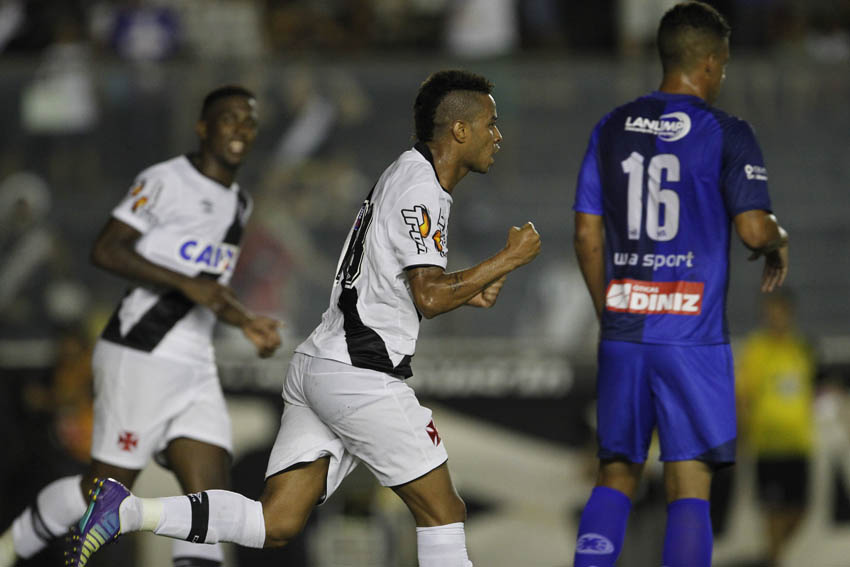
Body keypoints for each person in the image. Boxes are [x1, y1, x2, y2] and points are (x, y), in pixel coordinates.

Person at [63, 69, 541, 567]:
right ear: (459, 130)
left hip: (323, 365)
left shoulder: (410, 176)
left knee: (276, 521)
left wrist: (471, 287)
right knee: (444, 511)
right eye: (490, 123)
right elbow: (429, 297)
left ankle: (127, 510)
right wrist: (507, 258)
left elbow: (405, 284)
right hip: (361, 376)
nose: (497, 135)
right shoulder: (420, 187)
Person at [0, 85, 283, 567]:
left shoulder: (239, 203)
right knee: (102, 493)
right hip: (141, 350)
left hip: (196, 361)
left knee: (210, 501)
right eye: (229, 118)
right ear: (203, 128)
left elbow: (208, 286)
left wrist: (245, 320)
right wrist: (184, 283)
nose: (240, 128)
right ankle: (10, 547)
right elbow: (106, 249)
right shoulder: (166, 180)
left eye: (248, 121)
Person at [570, 3, 789, 567]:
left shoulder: (611, 127)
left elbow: (586, 233)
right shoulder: (728, 133)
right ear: (711, 63)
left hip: (626, 329)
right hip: (692, 338)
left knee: (616, 475)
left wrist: (609, 312)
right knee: (689, 484)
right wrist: (777, 238)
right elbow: (753, 228)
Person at [736, 290, 815, 566]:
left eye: (780, 311)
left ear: (789, 313)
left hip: (798, 443)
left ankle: (770, 557)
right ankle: (775, 560)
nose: (775, 317)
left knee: (800, 510)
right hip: (767, 445)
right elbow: (743, 396)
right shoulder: (756, 349)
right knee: (772, 511)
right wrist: (743, 435)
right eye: (770, 312)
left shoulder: (801, 348)